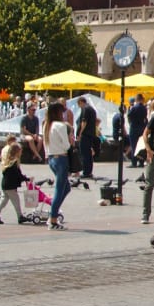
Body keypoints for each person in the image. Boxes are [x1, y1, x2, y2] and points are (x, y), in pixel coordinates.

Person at [43, 101, 72, 230]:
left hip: (51, 158)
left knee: (66, 188)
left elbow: (45, 145)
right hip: (61, 158)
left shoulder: (47, 125)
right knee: (60, 189)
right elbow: (67, 145)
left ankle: (53, 214)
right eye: (62, 112)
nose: (63, 115)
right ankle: (53, 219)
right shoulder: (60, 126)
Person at [0, 135, 28, 225]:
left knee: (4, 200)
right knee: (16, 201)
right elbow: (17, 175)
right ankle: (20, 217)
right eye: (20, 151)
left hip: (4, 184)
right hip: (10, 186)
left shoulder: (8, 162)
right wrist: (27, 179)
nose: (21, 153)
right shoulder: (14, 163)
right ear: (17, 152)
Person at [74, 97, 98, 179]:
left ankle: (86, 172)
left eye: (79, 104)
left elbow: (84, 122)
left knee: (84, 154)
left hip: (85, 134)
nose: (79, 106)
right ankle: (89, 171)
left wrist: (80, 133)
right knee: (88, 154)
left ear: (81, 102)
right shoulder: (92, 109)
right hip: (91, 134)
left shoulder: (85, 109)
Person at [125, 95, 148, 167]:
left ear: (136, 99)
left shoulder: (134, 107)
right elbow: (145, 118)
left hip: (134, 128)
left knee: (133, 145)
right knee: (141, 145)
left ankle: (134, 162)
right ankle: (141, 161)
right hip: (142, 127)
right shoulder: (144, 108)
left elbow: (129, 116)